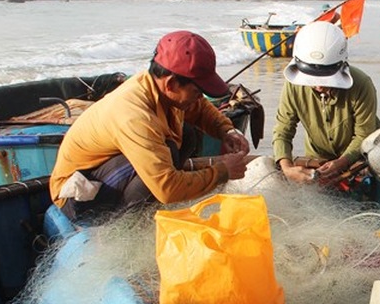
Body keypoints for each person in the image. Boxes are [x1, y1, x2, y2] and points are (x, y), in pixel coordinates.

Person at [50, 30, 250, 221]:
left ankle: (148, 204)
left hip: (107, 175)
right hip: (78, 197)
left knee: (185, 135)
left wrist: (227, 131)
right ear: (171, 84)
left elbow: (199, 108)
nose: (199, 98)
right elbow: (167, 188)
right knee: (167, 152)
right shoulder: (134, 115)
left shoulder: (159, 88)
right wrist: (222, 172)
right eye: (197, 92)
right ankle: (126, 224)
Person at [273, 21, 380, 185]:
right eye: (312, 80)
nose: (319, 85)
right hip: (317, 159)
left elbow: (363, 134)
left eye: (325, 79)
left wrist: (342, 162)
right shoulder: (293, 86)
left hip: (362, 158)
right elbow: (283, 130)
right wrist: (287, 167)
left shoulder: (362, 84)